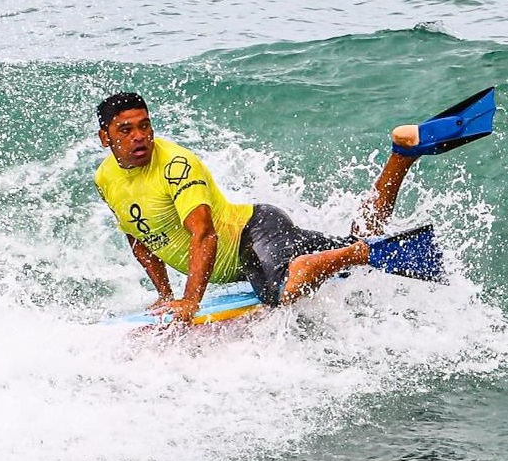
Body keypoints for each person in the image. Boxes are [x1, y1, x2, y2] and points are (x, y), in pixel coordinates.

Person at [95, 92, 425, 323]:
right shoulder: (106, 178)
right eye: (126, 130)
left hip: (256, 235)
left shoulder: (176, 166)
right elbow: (139, 237)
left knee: (279, 291)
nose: (139, 136)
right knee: (353, 249)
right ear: (105, 138)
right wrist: (166, 295)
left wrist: (190, 302)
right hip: (259, 244)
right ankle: (402, 156)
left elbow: (205, 235)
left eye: (145, 125)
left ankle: (360, 253)